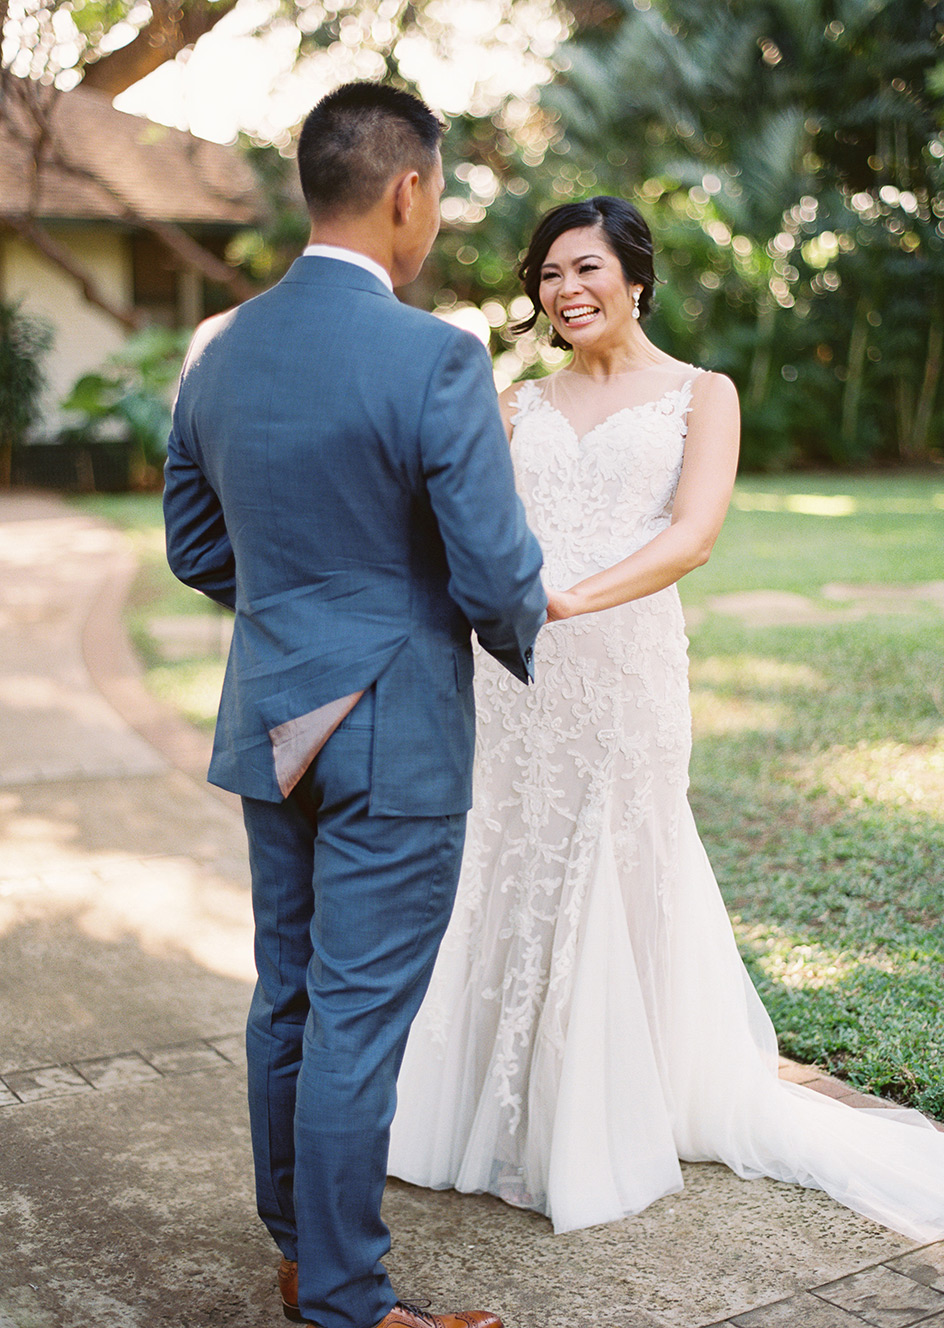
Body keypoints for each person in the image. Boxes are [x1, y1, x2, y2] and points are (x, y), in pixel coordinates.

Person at [388, 195, 944, 1241]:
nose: (565, 290)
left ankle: (605, 1115)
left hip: (621, 668)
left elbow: (693, 535)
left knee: (612, 862)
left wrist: (565, 598)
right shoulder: (512, 401)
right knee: (510, 854)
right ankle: (487, 1112)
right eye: (547, 274)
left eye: (586, 269)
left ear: (635, 279)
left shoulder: (700, 393)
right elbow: (464, 526)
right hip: (515, 679)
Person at [162, 83, 547, 1328]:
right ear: (408, 191)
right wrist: (502, 620)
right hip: (394, 721)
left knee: (290, 992)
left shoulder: (219, 348)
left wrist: (294, 611)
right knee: (357, 1020)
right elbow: (496, 575)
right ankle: (343, 1298)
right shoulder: (435, 356)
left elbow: (192, 544)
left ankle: (297, 1244)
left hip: (272, 709)